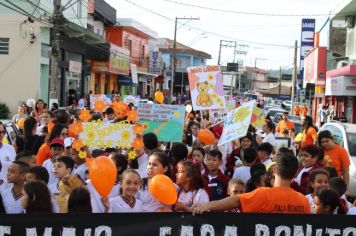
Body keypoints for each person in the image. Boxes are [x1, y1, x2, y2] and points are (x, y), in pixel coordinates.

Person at [193, 152, 310, 214]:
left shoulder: (264, 194)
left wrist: (207, 205)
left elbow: (236, 200)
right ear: (295, 173)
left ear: (274, 170)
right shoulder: (304, 201)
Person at [0, 121, 17, 192]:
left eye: (3, 132)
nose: (1, 134)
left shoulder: (10, 148)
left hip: (9, 191)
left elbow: (16, 169)